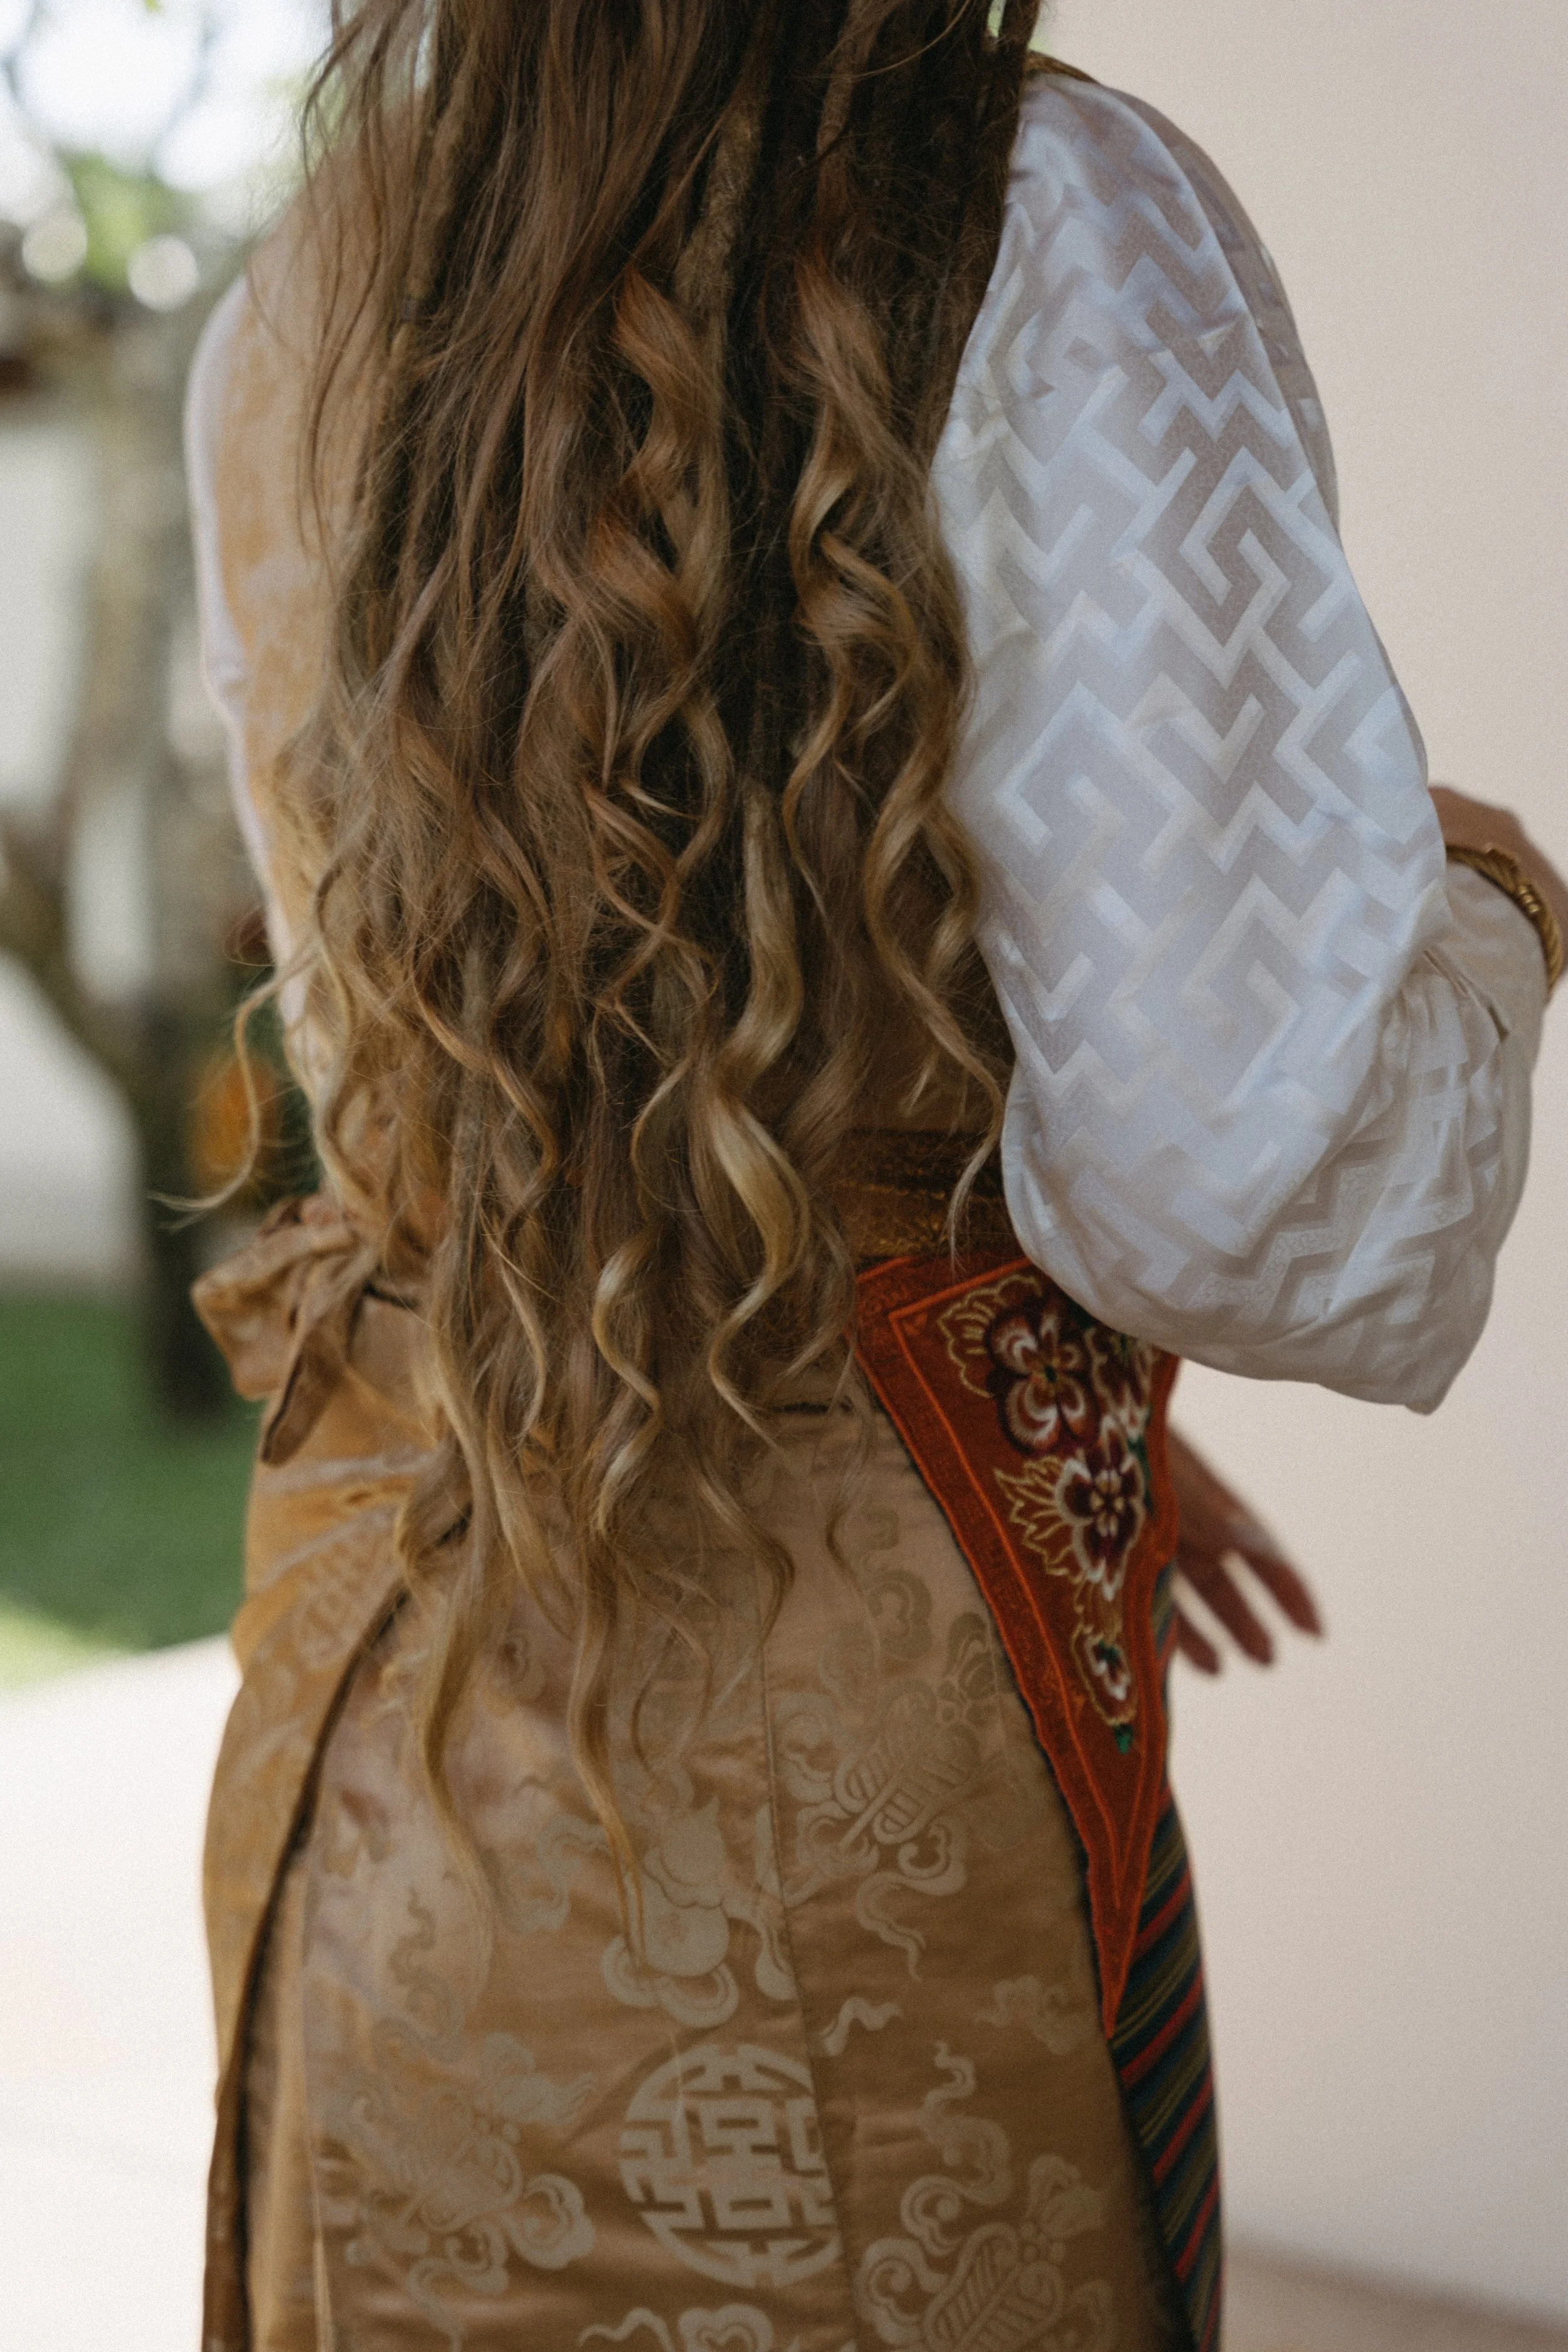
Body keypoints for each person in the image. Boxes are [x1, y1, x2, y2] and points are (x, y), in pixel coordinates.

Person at [184, 7, 1565, 2349]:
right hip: (816, 1751)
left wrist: (997, 1368)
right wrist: (1492, 908)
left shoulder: (314, 276)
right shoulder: (1024, 213)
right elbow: (1223, 1171)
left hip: (369, 1701)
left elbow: (400, 1058)